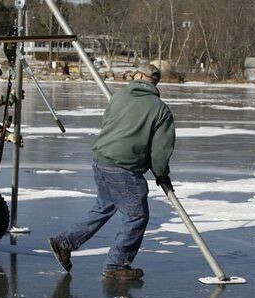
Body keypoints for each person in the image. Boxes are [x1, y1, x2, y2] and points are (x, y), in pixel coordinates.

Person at [48, 64, 175, 280]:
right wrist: (161, 174)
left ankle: (64, 242)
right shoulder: (160, 109)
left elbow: (107, 123)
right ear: (155, 82)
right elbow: (160, 150)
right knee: (137, 217)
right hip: (123, 167)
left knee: (104, 208)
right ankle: (116, 264)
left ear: (137, 77)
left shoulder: (120, 96)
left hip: (101, 159)